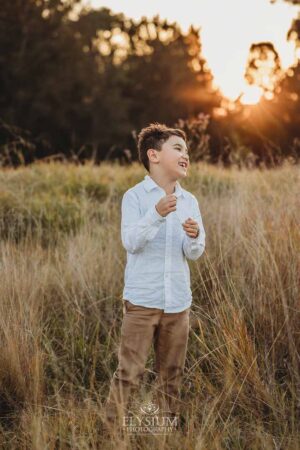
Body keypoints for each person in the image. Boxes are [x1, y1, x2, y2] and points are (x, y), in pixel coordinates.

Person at [104, 122, 206, 427]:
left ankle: (164, 431)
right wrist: (157, 213)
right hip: (142, 302)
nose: (185, 155)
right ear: (154, 154)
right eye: (177, 148)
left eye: (187, 151)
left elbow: (195, 252)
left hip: (178, 303)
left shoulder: (190, 201)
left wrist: (194, 235)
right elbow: (131, 242)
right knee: (129, 373)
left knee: (171, 373)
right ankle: (110, 435)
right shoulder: (135, 197)